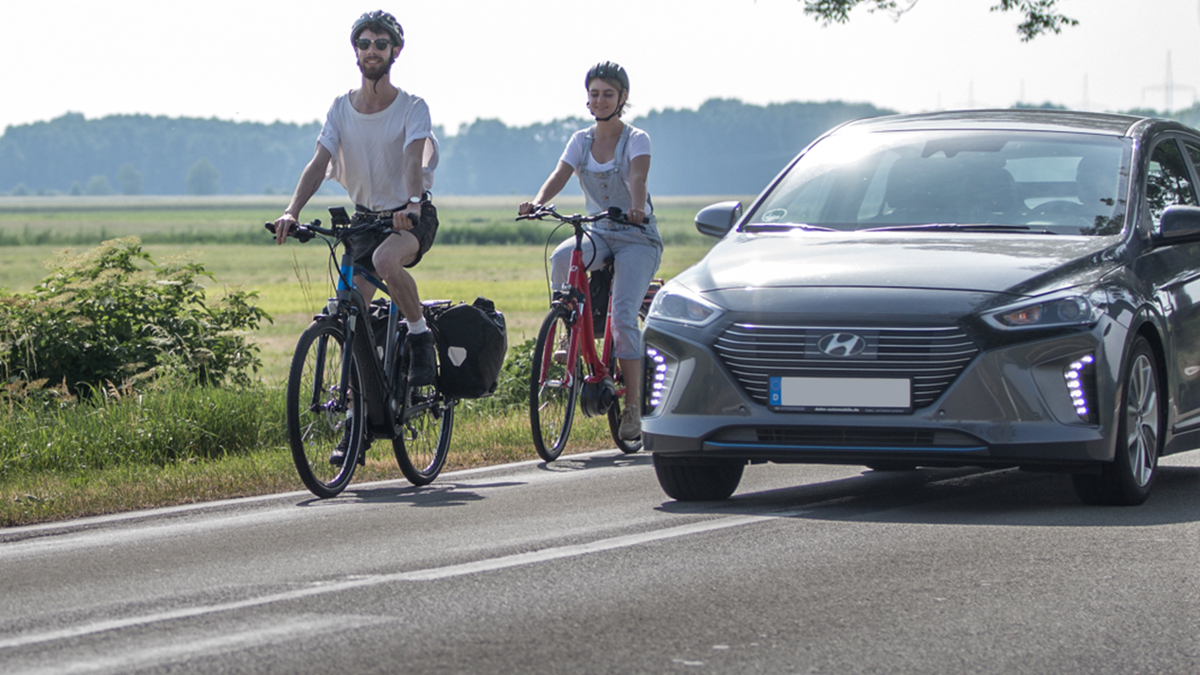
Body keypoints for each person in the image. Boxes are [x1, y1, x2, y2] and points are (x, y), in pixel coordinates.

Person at [273, 10, 440, 464]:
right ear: (356, 51)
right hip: (365, 220)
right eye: (364, 43)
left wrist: (411, 202)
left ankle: (421, 335)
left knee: (388, 262)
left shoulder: (412, 107)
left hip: (410, 216)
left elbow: (411, 157)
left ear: (395, 52)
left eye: (380, 44)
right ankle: (356, 422)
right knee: (349, 317)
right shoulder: (340, 108)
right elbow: (319, 160)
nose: (371, 50)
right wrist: (293, 211)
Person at [518, 61, 663, 441]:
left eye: (608, 94)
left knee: (623, 317)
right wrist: (537, 202)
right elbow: (560, 174)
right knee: (563, 256)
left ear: (623, 99)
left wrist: (636, 207)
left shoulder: (636, 139)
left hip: (636, 236)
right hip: (599, 230)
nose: (600, 100)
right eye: (594, 94)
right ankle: (568, 327)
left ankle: (632, 407)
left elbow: (638, 177)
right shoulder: (580, 140)